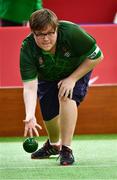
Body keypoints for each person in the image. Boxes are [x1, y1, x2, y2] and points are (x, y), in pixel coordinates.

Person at [20, 8, 104, 166]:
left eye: (50, 33)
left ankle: (66, 149)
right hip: (49, 74)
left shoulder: (72, 32)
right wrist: (30, 115)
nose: (46, 39)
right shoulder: (28, 48)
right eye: (40, 34)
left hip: (76, 69)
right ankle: (53, 145)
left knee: (65, 95)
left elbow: (97, 56)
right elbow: (30, 86)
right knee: (49, 112)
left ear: (56, 28)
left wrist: (72, 79)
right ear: (32, 33)